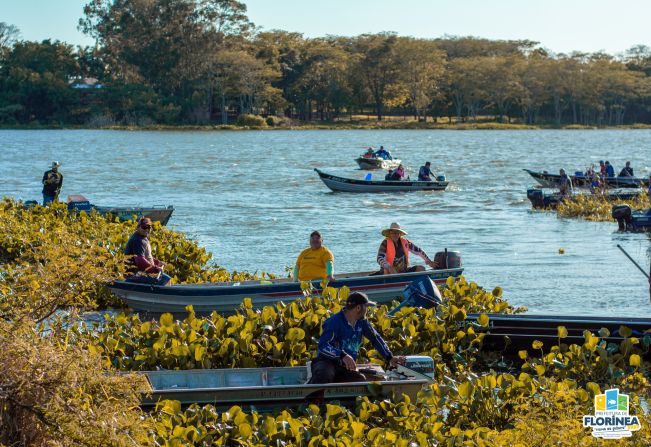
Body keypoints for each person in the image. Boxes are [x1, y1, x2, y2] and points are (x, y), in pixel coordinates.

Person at [310, 291, 404, 384]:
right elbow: (323, 345)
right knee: (324, 375)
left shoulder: (362, 322)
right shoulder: (334, 322)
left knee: (359, 380)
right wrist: (342, 355)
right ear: (358, 308)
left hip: (344, 367)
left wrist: (390, 357)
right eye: (366, 307)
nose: (367, 310)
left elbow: (375, 338)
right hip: (326, 362)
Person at [124, 217, 171, 286]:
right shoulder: (137, 240)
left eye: (149, 227)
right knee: (164, 278)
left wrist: (157, 262)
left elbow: (147, 257)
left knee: (167, 278)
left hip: (141, 272)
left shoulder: (143, 238)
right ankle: (157, 295)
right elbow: (140, 261)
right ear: (138, 227)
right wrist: (155, 269)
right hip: (134, 275)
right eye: (144, 227)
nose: (147, 229)